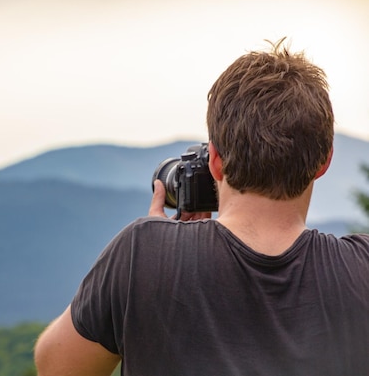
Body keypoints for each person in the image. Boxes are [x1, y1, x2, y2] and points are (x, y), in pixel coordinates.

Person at [33, 39, 369, 376]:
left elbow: (55, 366)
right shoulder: (362, 268)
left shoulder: (141, 253)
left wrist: (155, 254)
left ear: (217, 162)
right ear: (324, 161)